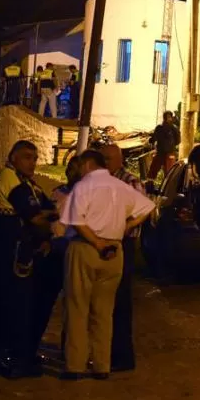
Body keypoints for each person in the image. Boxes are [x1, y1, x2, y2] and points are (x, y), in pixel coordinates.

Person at [60, 150, 153, 380]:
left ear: (87, 164)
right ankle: (102, 365)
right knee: (104, 311)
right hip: (115, 251)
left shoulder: (83, 187)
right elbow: (147, 207)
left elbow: (77, 222)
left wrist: (97, 243)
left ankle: (75, 365)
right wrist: (127, 226)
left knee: (78, 308)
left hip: (86, 248)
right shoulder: (120, 186)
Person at [0, 140, 57, 378]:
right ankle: (0, 358)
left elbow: (48, 207)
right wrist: (52, 219)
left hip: (16, 254)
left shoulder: (26, 182)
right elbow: (36, 216)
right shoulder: (9, 178)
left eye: (34, 158)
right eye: (26, 157)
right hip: (3, 256)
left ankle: (9, 356)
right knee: (5, 305)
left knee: (16, 305)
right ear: (13, 157)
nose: (32, 163)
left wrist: (49, 218)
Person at [101, 144, 146, 372]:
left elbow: (139, 212)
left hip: (122, 244)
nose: (105, 163)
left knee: (120, 301)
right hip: (105, 242)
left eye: (109, 159)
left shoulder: (129, 182)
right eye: (103, 159)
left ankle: (121, 356)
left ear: (119, 160)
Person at [33, 156, 81, 358]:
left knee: (74, 306)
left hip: (74, 253)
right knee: (43, 302)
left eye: (75, 169)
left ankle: (70, 351)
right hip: (54, 253)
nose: (70, 172)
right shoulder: (57, 193)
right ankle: (31, 346)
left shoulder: (87, 196)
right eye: (69, 167)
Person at [148, 111, 181, 181]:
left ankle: (152, 186)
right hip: (165, 153)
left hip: (165, 153)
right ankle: (151, 186)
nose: (169, 119)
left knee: (165, 173)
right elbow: (178, 141)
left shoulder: (162, 127)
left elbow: (153, 138)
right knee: (159, 172)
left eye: (169, 117)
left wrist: (151, 140)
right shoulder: (173, 128)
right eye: (168, 117)